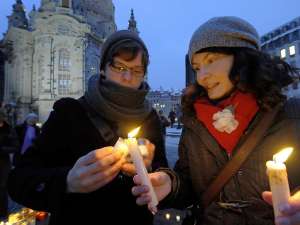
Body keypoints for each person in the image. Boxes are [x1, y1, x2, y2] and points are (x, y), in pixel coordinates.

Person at [132, 16, 300, 225]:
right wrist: (171, 183)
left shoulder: (291, 115)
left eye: (211, 61)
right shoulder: (194, 121)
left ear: (243, 58)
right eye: (197, 67)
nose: (202, 76)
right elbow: (188, 182)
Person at [8, 30, 168, 225]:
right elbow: (18, 180)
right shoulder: (69, 112)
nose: (127, 77)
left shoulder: (150, 117)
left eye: (136, 70)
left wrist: (152, 171)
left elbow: (164, 174)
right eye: (119, 66)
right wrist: (68, 181)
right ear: (103, 68)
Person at [0, 109, 18, 220]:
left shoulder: (9, 130)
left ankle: (2, 213)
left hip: (3, 163)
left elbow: (15, 147)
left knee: (2, 189)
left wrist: (2, 149)